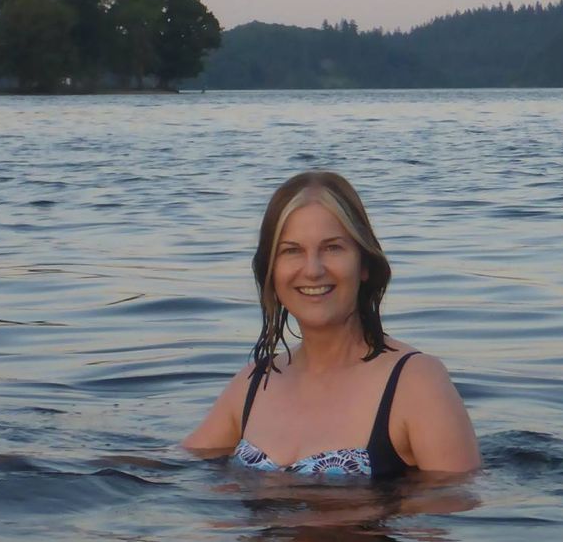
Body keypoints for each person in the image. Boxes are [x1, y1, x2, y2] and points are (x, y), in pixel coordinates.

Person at [183, 170, 481, 478]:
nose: (312, 270)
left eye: (332, 248)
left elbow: (457, 508)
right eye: (292, 250)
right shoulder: (254, 383)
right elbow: (174, 472)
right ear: (271, 272)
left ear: (364, 264)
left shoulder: (416, 383)